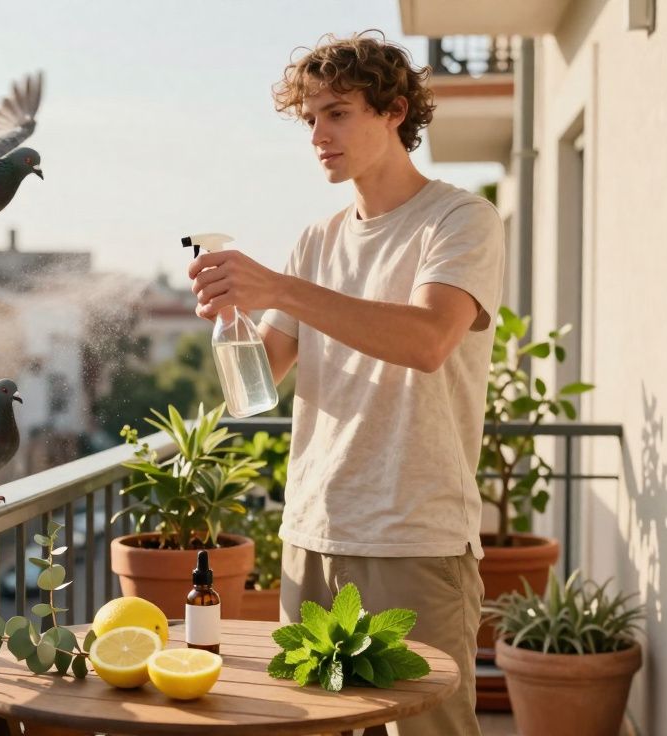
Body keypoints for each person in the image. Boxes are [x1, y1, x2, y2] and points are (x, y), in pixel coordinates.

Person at [188, 31, 505, 735]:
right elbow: (256, 388)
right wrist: (232, 318)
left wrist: (279, 287)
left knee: (429, 729)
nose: (318, 136)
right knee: (307, 725)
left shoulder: (459, 221)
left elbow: (427, 340)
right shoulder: (316, 240)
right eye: (310, 119)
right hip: (312, 534)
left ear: (394, 111)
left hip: (415, 539)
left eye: (336, 113)